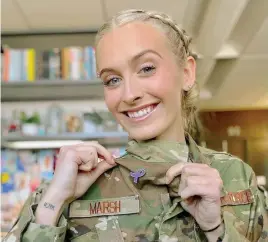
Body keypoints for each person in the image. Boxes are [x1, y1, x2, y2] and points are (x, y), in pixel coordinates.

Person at [3, 9, 268, 242]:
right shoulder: (69, 192)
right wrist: (55, 201)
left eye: (147, 68)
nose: (129, 94)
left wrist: (217, 230)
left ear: (186, 73)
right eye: (112, 80)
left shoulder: (237, 178)